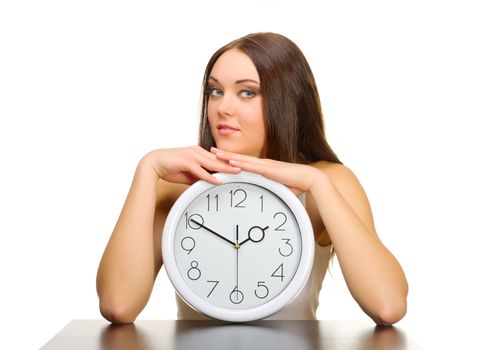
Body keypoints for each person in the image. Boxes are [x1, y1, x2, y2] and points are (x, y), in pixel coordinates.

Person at [96, 32, 408, 325]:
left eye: (247, 92)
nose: (222, 108)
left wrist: (317, 185)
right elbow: (118, 304)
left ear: (286, 101)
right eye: (215, 91)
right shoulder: (176, 183)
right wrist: (147, 169)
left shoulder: (330, 181)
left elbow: (388, 305)